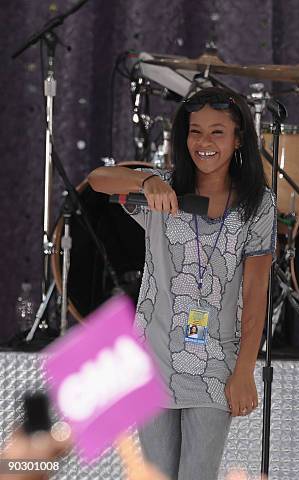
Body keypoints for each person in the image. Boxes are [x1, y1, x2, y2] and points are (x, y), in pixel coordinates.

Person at [88, 86, 276, 479]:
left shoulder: (258, 204)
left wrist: (244, 371)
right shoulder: (162, 190)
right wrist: (146, 182)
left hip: (217, 363)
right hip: (153, 356)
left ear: (239, 138)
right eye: (195, 131)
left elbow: (256, 293)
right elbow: (98, 179)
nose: (204, 143)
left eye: (217, 132)